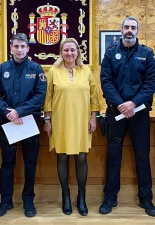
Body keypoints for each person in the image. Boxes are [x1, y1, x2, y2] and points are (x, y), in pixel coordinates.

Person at [99, 16, 155, 216]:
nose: (130, 30)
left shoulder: (147, 54)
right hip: (115, 114)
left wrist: (133, 103)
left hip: (139, 114)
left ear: (138, 31)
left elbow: (151, 83)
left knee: (142, 157)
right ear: (121, 30)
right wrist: (121, 105)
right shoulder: (110, 54)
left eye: (133, 27)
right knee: (113, 156)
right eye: (126, 27)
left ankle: (146, 199)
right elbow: (106, 82)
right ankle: (110, 198)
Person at [0, 33, 47, 218]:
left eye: (23, 46)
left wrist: (19, 111)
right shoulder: (2, 68)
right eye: (16, 46)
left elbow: (40, 96)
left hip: (29, 122)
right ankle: (5, 201)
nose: (20, 49)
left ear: (28, 48)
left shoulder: (36, 68)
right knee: (7, 162)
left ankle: (28, 201)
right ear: (11, 47)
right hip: (8, 123)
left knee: (30, 163)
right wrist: (9, 112)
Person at [43, 38, 100, 216]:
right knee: (62, 157)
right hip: (60, 120)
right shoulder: (53, 71)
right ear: (61, 52)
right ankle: (66, 197)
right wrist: (47, 120)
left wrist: (93, 118)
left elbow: (94, 96)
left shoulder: (86, 71)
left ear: (78, 52)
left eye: (72, 50)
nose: (69, 53)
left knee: (81, 157)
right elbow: (48, 97)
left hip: (82, 120)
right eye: (66, 50)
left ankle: (81, 198)